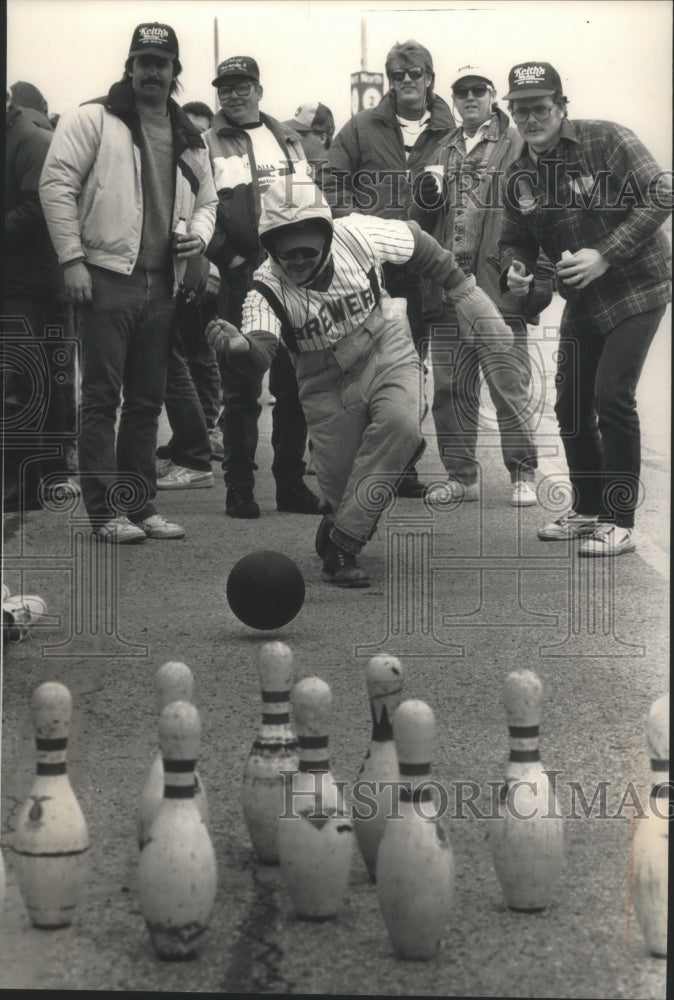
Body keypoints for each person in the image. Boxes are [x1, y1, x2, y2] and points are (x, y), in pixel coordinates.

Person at [206, 175, 516, 588]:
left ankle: (342, 548)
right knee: (342, 486)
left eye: (306, 251)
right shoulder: (265, 287)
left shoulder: (356, 233)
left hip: (383, 343)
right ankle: (342, 516)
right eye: (286, 254)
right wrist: (240, 348)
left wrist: (465, 294)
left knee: (400, 423)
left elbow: (422, 246)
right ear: (270, 247)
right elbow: (262, 348)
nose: (296, 262)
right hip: (322, 377)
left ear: (326, 236)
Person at [39, 22, 217, 543]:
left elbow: (208, 201)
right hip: (104, 275)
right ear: (130, 67)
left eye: (162, 63)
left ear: (175, 72)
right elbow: (55, 186)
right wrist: (72, 259)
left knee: (146, 401)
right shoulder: (94, 117)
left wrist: (199, 239)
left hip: (162, 283)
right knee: (100, 397)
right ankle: (103, 513)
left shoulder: (189, 135)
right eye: (144, 61)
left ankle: (138, 507)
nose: (152, 71)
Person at [499, 61, 671, 556]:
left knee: (612, 397)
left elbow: (662, 192)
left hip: (638, 285)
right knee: (571, 406)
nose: (530, 119)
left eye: (539, 107)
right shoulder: (518, 177)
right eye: (520, 110)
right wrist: (516, 269)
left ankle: (619, 521)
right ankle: (589, 508)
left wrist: (607, 254)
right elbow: (515, 240)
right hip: (585, 298)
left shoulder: (606, 139)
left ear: (561, 107)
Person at [410, 64, 555, 507]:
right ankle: (461, 476)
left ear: (492, 96)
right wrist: (426, 192)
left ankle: (523, 473)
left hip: (496, 287)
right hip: (449, 289)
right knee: (450, 389)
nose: (469, 97)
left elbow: (540, 216)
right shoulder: (440, 145)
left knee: (507, 384)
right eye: (461, 92)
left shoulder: (516, 144)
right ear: (452, 99)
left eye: (478, 90)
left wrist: (531, 281)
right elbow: (421, 214)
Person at [322, 39, 456, 498]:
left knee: (410, 371)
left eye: (414, 74)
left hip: (421, 275)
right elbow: (331, 184)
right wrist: (358, 229)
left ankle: (403, 468)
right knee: (361, 369)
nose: (406, 82)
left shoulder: (451, 132)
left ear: (429, 78)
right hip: (367, 272)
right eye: (397, 76)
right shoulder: (359, 128)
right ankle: (359, 464)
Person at [203, 56, 323, 519]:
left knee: (292, 387)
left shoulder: (287, 137)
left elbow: (310, 201)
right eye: (226, 87)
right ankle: (239, 488)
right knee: (241, 391)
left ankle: (290, 485)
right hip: (240, 279)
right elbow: (195, 209)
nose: (234, 94)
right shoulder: (206, 142)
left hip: (289, 277)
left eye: (242, 85)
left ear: (259, 88)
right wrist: (228, 260)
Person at [4, 88, 79, 514]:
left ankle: (24, 486)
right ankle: (44, 480)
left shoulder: (30, 139)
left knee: (28, 384)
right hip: (19, 282)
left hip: (34, 285)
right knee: (39, 382)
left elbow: (41, 204)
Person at [155, 99, 224, 488]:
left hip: (193, 273)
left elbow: (210, 211)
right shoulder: (182, 152)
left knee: (191, 358)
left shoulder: (194, 157)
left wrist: (210, 267)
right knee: (177, 360)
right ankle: (190, 445)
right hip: (183, 270)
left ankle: (198, 445)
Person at [283, 102, 335, 177]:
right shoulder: (305, 166)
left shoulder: (335, 173)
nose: (292, 138)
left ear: (322, 138)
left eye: (299, 134)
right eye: (291, 133)